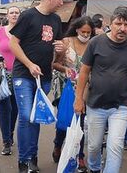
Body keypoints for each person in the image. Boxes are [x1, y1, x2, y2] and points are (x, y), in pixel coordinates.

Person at [74, 6, 127, 173]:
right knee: (93, 146)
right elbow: (84, 71)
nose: (122, 28)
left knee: (116, 145)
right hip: (95, 104)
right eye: (118, 23)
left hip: (121, 105)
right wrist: (78, 98)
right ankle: (95, 168)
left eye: (126, 24)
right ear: (110, 24)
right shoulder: (96, 43)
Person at [9, 0, 65, 173]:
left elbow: (57, 52)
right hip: (23, 76)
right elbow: (13, 44)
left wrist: (61, 51)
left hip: (45, 78)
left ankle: (32, 158)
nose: (62, 2)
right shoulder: (28, 16)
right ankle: (23, 161)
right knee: (26, 116)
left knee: (36, 118)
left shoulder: (57, 20)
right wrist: (29, 64)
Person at [51, 16, 94, 172]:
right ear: (77, 29)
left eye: (89, 32)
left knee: (80, 123)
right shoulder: (66, 42)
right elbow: (55, 64)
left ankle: (79, 155)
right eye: (83, 31)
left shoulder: (93, 44)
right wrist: (66, 69)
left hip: (85, 89)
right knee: (65, 120)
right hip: (65, 87)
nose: (86, 34)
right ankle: (58, 144)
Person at [0, 6, 21, 156]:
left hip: (20, 75)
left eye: (17, 12)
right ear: (7, 15)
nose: (14, 15)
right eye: (11, 12)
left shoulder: (24, 31)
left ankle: (10, 132)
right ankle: (6, 141)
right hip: (2, 76)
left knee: (15, 108)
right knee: (4, 109)